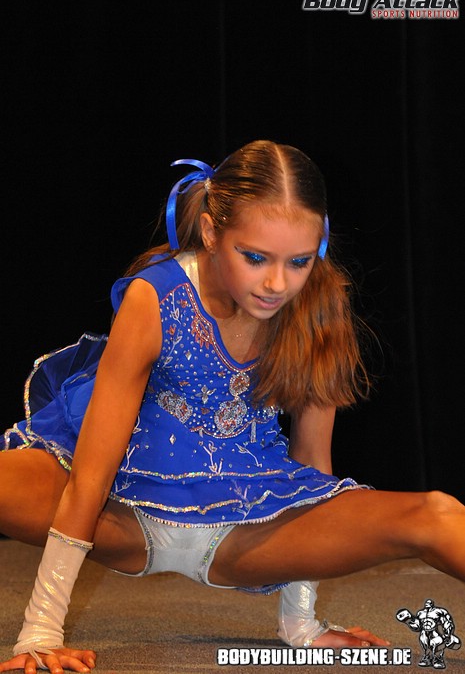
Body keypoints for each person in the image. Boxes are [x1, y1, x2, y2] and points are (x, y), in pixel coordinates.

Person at [1, 140, 465, 674]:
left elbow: (313, 467)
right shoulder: (155, 298)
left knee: (437, 514)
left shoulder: (318, 305)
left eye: (299, 261)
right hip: (122, 513)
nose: (277, 283)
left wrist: (302, 625)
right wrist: (41, 631)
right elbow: (91, 473)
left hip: (248, 528)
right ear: (210, 232)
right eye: (255, 258)